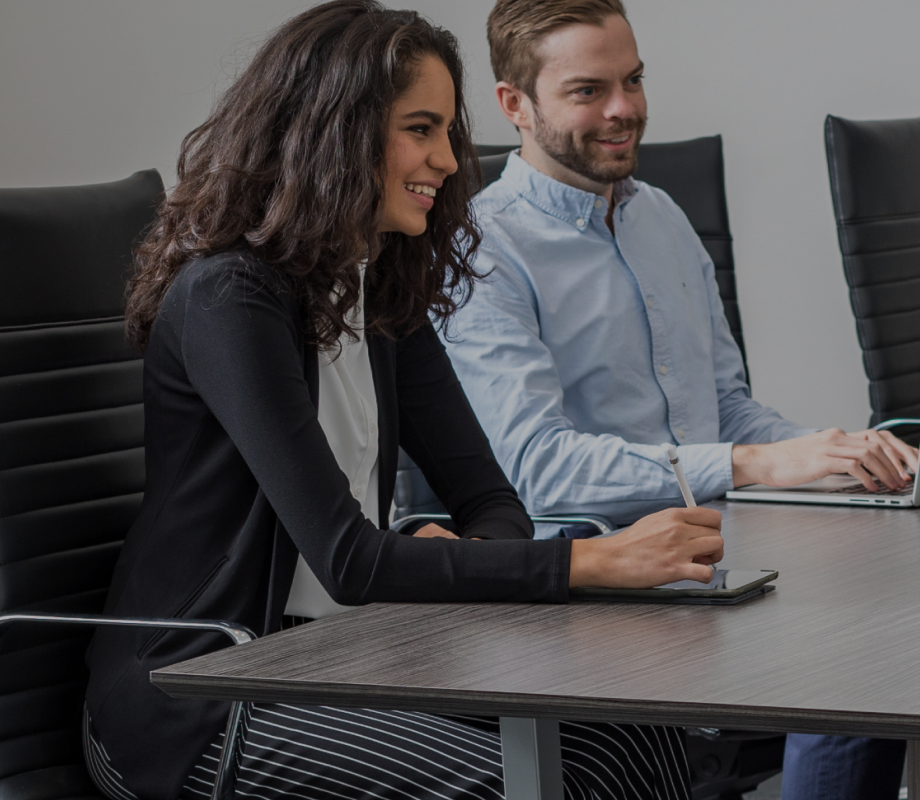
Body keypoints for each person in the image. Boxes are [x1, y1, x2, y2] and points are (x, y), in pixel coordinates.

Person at [81, 3, 721, 799]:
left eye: (449, 132)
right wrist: (591, 560)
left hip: (348, 654)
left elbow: (491, 499)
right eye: (421, 129)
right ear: (334, 132)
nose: (450, 160)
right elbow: (350, 562)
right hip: (201, 691)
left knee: (634, 740)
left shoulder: (377, 284)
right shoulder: (229, 299)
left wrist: (464, 552)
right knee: (506, 786)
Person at [439, 2, 915, 797]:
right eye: (588, 90)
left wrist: (829, 454)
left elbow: (724, 408)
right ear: (514, 106)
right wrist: (757, 460)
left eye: (632, 81)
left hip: (710, 556)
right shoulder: (480, 249)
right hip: (591, 588)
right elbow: (538, 471)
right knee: (855, 656)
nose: (624, 108)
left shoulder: (660, 216)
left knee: (911, 610)